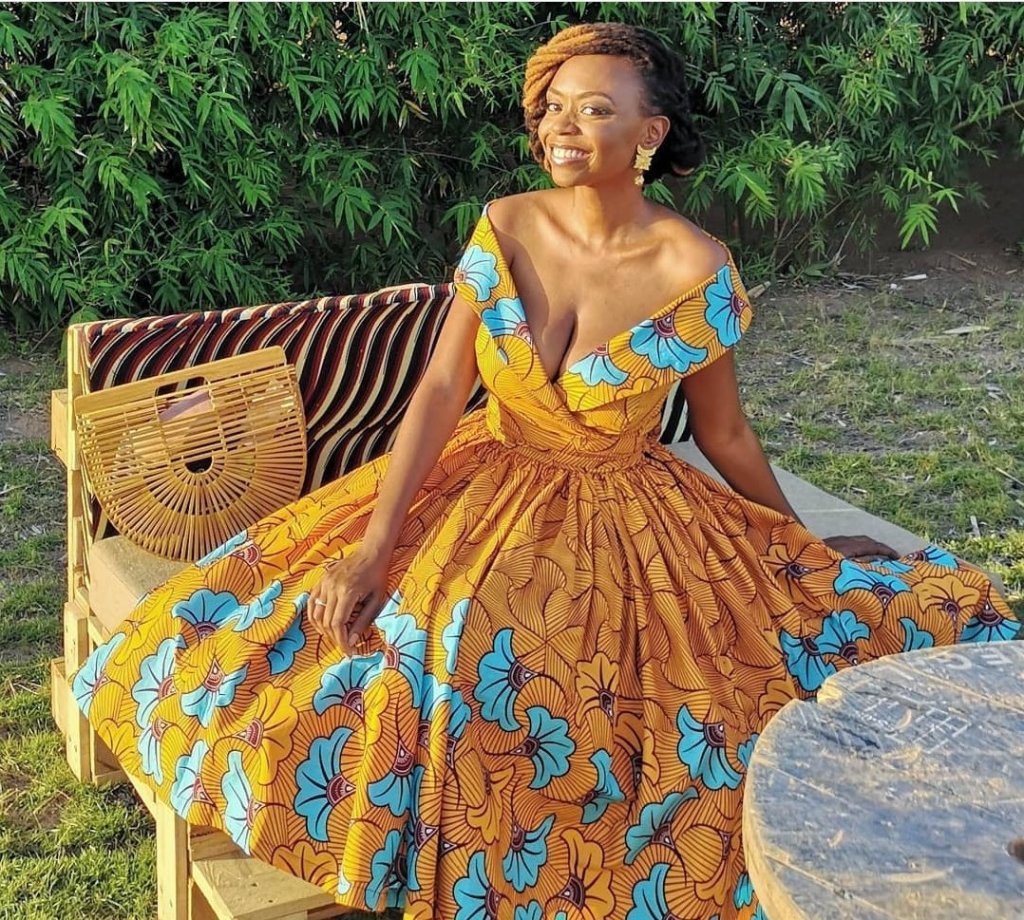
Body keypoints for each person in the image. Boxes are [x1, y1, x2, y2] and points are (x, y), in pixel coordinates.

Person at [70, 21, 1019, 920]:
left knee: (502, 669)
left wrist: (797, 544)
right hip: (482, 476)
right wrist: (372, 546)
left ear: (650, 133)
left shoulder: (695, 268)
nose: (565, 126)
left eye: (597, 109)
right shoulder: (507, 224)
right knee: (320, 640)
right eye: (555, 106)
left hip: (621, 515)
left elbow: (724, 433)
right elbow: (442, 390)